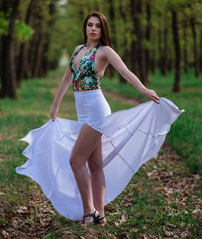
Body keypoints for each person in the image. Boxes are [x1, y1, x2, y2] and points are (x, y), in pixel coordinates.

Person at [16, 12, 184, 226]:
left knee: (75, 160)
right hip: (82, 111)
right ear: (85, 27)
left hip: (97, 110)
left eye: (97, 26)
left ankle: (89, 212)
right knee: (94, 164)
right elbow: (68, 77)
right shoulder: (78, 50)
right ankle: (101, 215)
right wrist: (55, 104)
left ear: (103, 30)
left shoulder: (104, 51)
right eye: (90, 25)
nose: (93, 28)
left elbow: (125, 71)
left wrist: (143, 89)